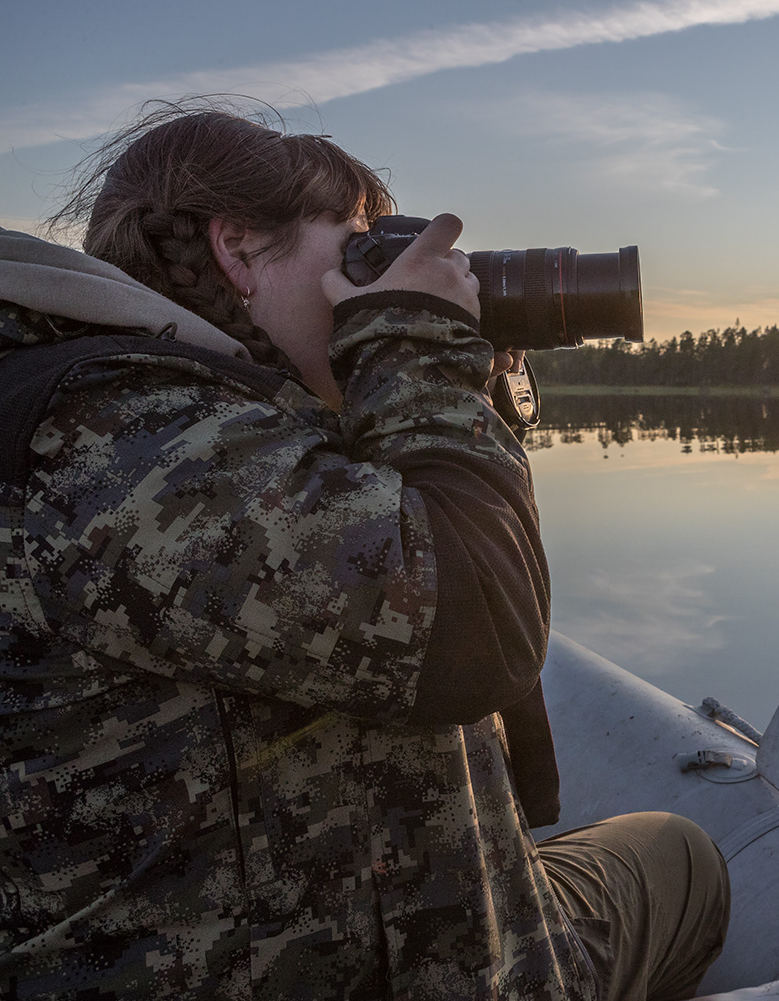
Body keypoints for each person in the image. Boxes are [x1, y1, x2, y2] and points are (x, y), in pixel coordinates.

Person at [0, 103, 728, 1000]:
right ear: (237, 249)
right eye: (359, 246)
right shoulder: (140, 450)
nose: (389, 274)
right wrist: (416, 345)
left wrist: (444, 377)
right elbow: (486, 633)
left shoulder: (129, 416)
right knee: (686, 859)